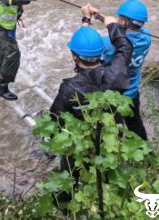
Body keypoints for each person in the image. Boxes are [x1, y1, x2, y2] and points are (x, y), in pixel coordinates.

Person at [49, 11, 133, 206]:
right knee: (110, 168)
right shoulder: (116, 72)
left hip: (82, 145)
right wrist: (110, 24)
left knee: (69, 172)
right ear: (101, 52)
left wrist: (85, 21)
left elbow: (56, 119)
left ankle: (65, 204)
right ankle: (109, 197)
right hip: (112, 137)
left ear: (73, 56)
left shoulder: (69, 89)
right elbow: (125, 47)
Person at [85, 0, 151, 140]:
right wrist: (102, 17)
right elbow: (122, 33)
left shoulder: (108, 44)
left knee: (115, 127)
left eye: (119, 17)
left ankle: (117, 150)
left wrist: (86, 19)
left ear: (124, 22)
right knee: (135, 124)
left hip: (113, 96)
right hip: (132, 92)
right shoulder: (146, 37)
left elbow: (86, 47)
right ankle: (144, 150)